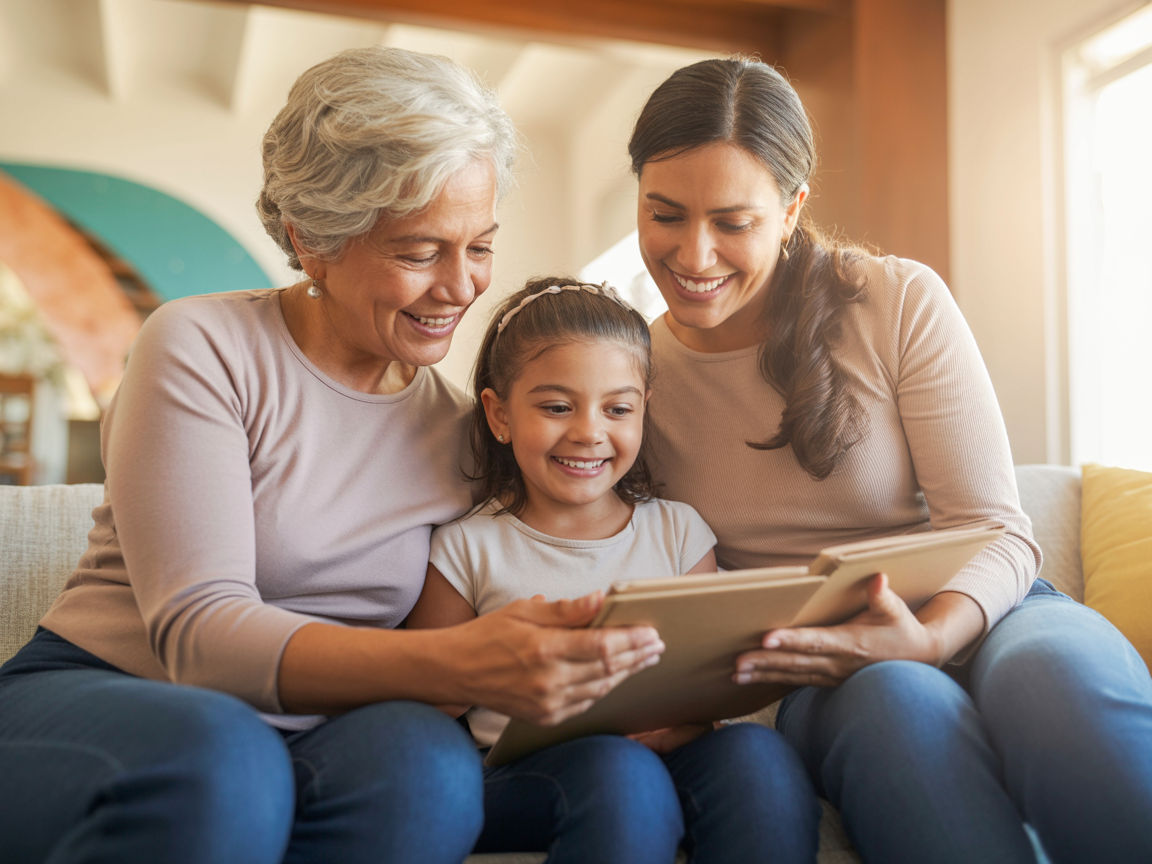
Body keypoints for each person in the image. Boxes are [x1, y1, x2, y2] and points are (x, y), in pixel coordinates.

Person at [0, 48, 666, 864]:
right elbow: (199, 638)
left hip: (317, 737)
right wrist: (457, 663)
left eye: (480, 246)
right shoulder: (203, 346)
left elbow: (571, 528)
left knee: (426, 767)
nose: (461, 286)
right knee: (223, 759)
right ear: (311, 238)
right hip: (111, 696)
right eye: (420, 252)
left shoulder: (468, 433)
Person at [630, 57, 1152, 864]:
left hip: (994, 611)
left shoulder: (895, 299)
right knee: (896, 703)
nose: (694, 254)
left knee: (1059, 682)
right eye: (665, 214)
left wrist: (932, 635)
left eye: (733, 222)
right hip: (833, 671)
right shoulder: (629, 376)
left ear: (793, 208)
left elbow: (995, 530)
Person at [407, 276, 821, 864]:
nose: (588, 432)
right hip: (529, 772)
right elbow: (426, 699)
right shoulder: (466, 548)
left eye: (617, 409)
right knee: (620, 772)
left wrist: (689, 718)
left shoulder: (678, 532)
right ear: (500, 415)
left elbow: (713, 679)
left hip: (673, 749)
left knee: (759, 756)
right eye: (555, 407)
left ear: (644, 410)